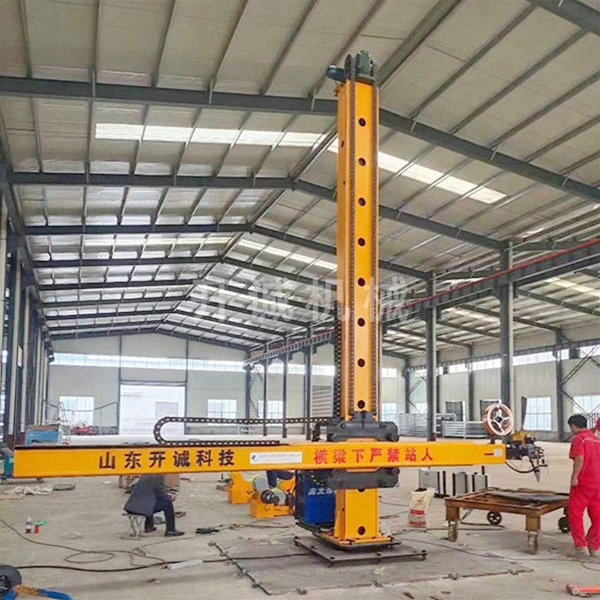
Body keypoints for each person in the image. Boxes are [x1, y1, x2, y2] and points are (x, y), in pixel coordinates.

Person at [567, 414, 600, 558]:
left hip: (583, 482)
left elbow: (579, 457)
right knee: (598, 515)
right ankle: (594, 545)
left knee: (575, 513)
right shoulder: (597, 440)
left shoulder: (579, 439)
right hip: (597, 483)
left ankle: (581, 546)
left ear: (573, 426)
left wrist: (574, 476)